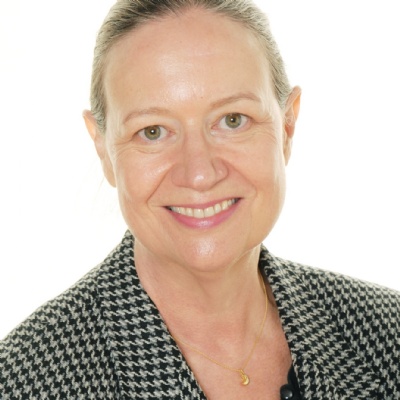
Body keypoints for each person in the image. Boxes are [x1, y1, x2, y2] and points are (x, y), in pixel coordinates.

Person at [0, 0, 399, 399]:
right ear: (103, 149)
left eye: (232, 120)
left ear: (287, 127)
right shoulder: (24, 382)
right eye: (153, 131)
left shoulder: (388, 334)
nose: (200, 173)